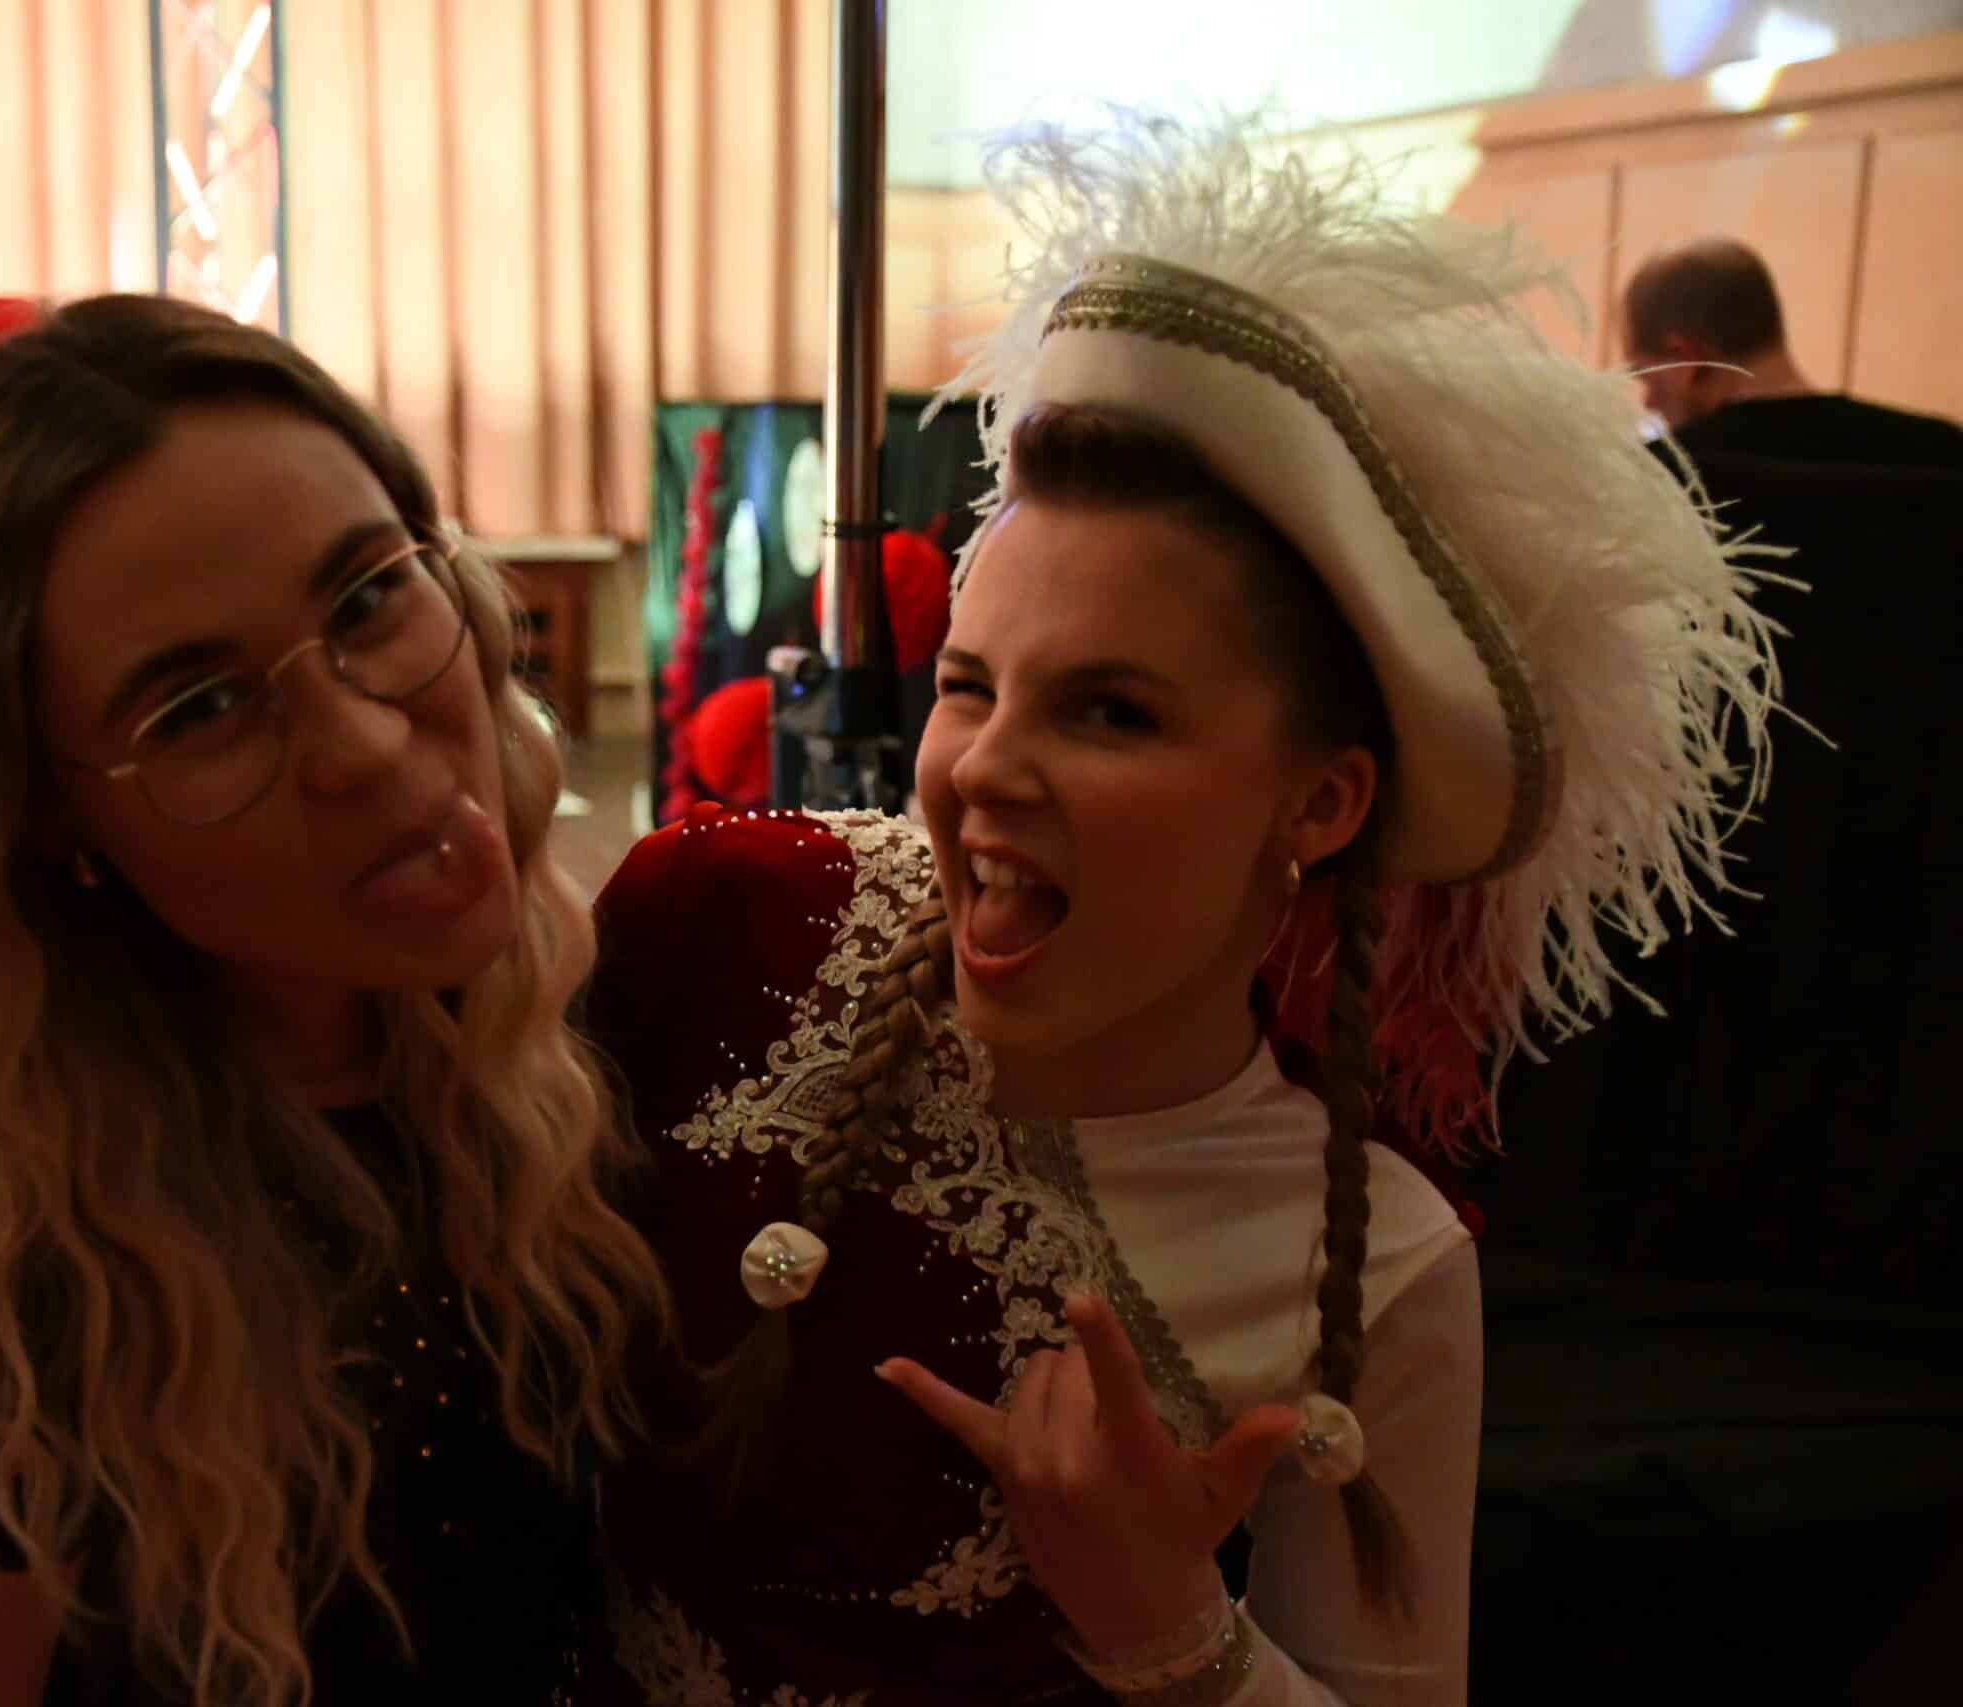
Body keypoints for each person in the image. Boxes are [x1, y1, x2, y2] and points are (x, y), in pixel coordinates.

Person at [585, 115, 1778, 1705]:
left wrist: (1166, 1622)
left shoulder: (1371, 1262)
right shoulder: (720, 924)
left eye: (1112, 711)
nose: (980, 768)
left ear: (1322, 801)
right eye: (968, 684)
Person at [0, 296, 667, 1707]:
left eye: (370, 597)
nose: (365, 746)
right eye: (198, 710)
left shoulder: (584, 1054)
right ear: (44, 817)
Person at [1623, 237, 1963, 474]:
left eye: (1646, 377)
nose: (1649, 402)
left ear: (1685, 357)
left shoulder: (1666, 479)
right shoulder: (1941, 448)